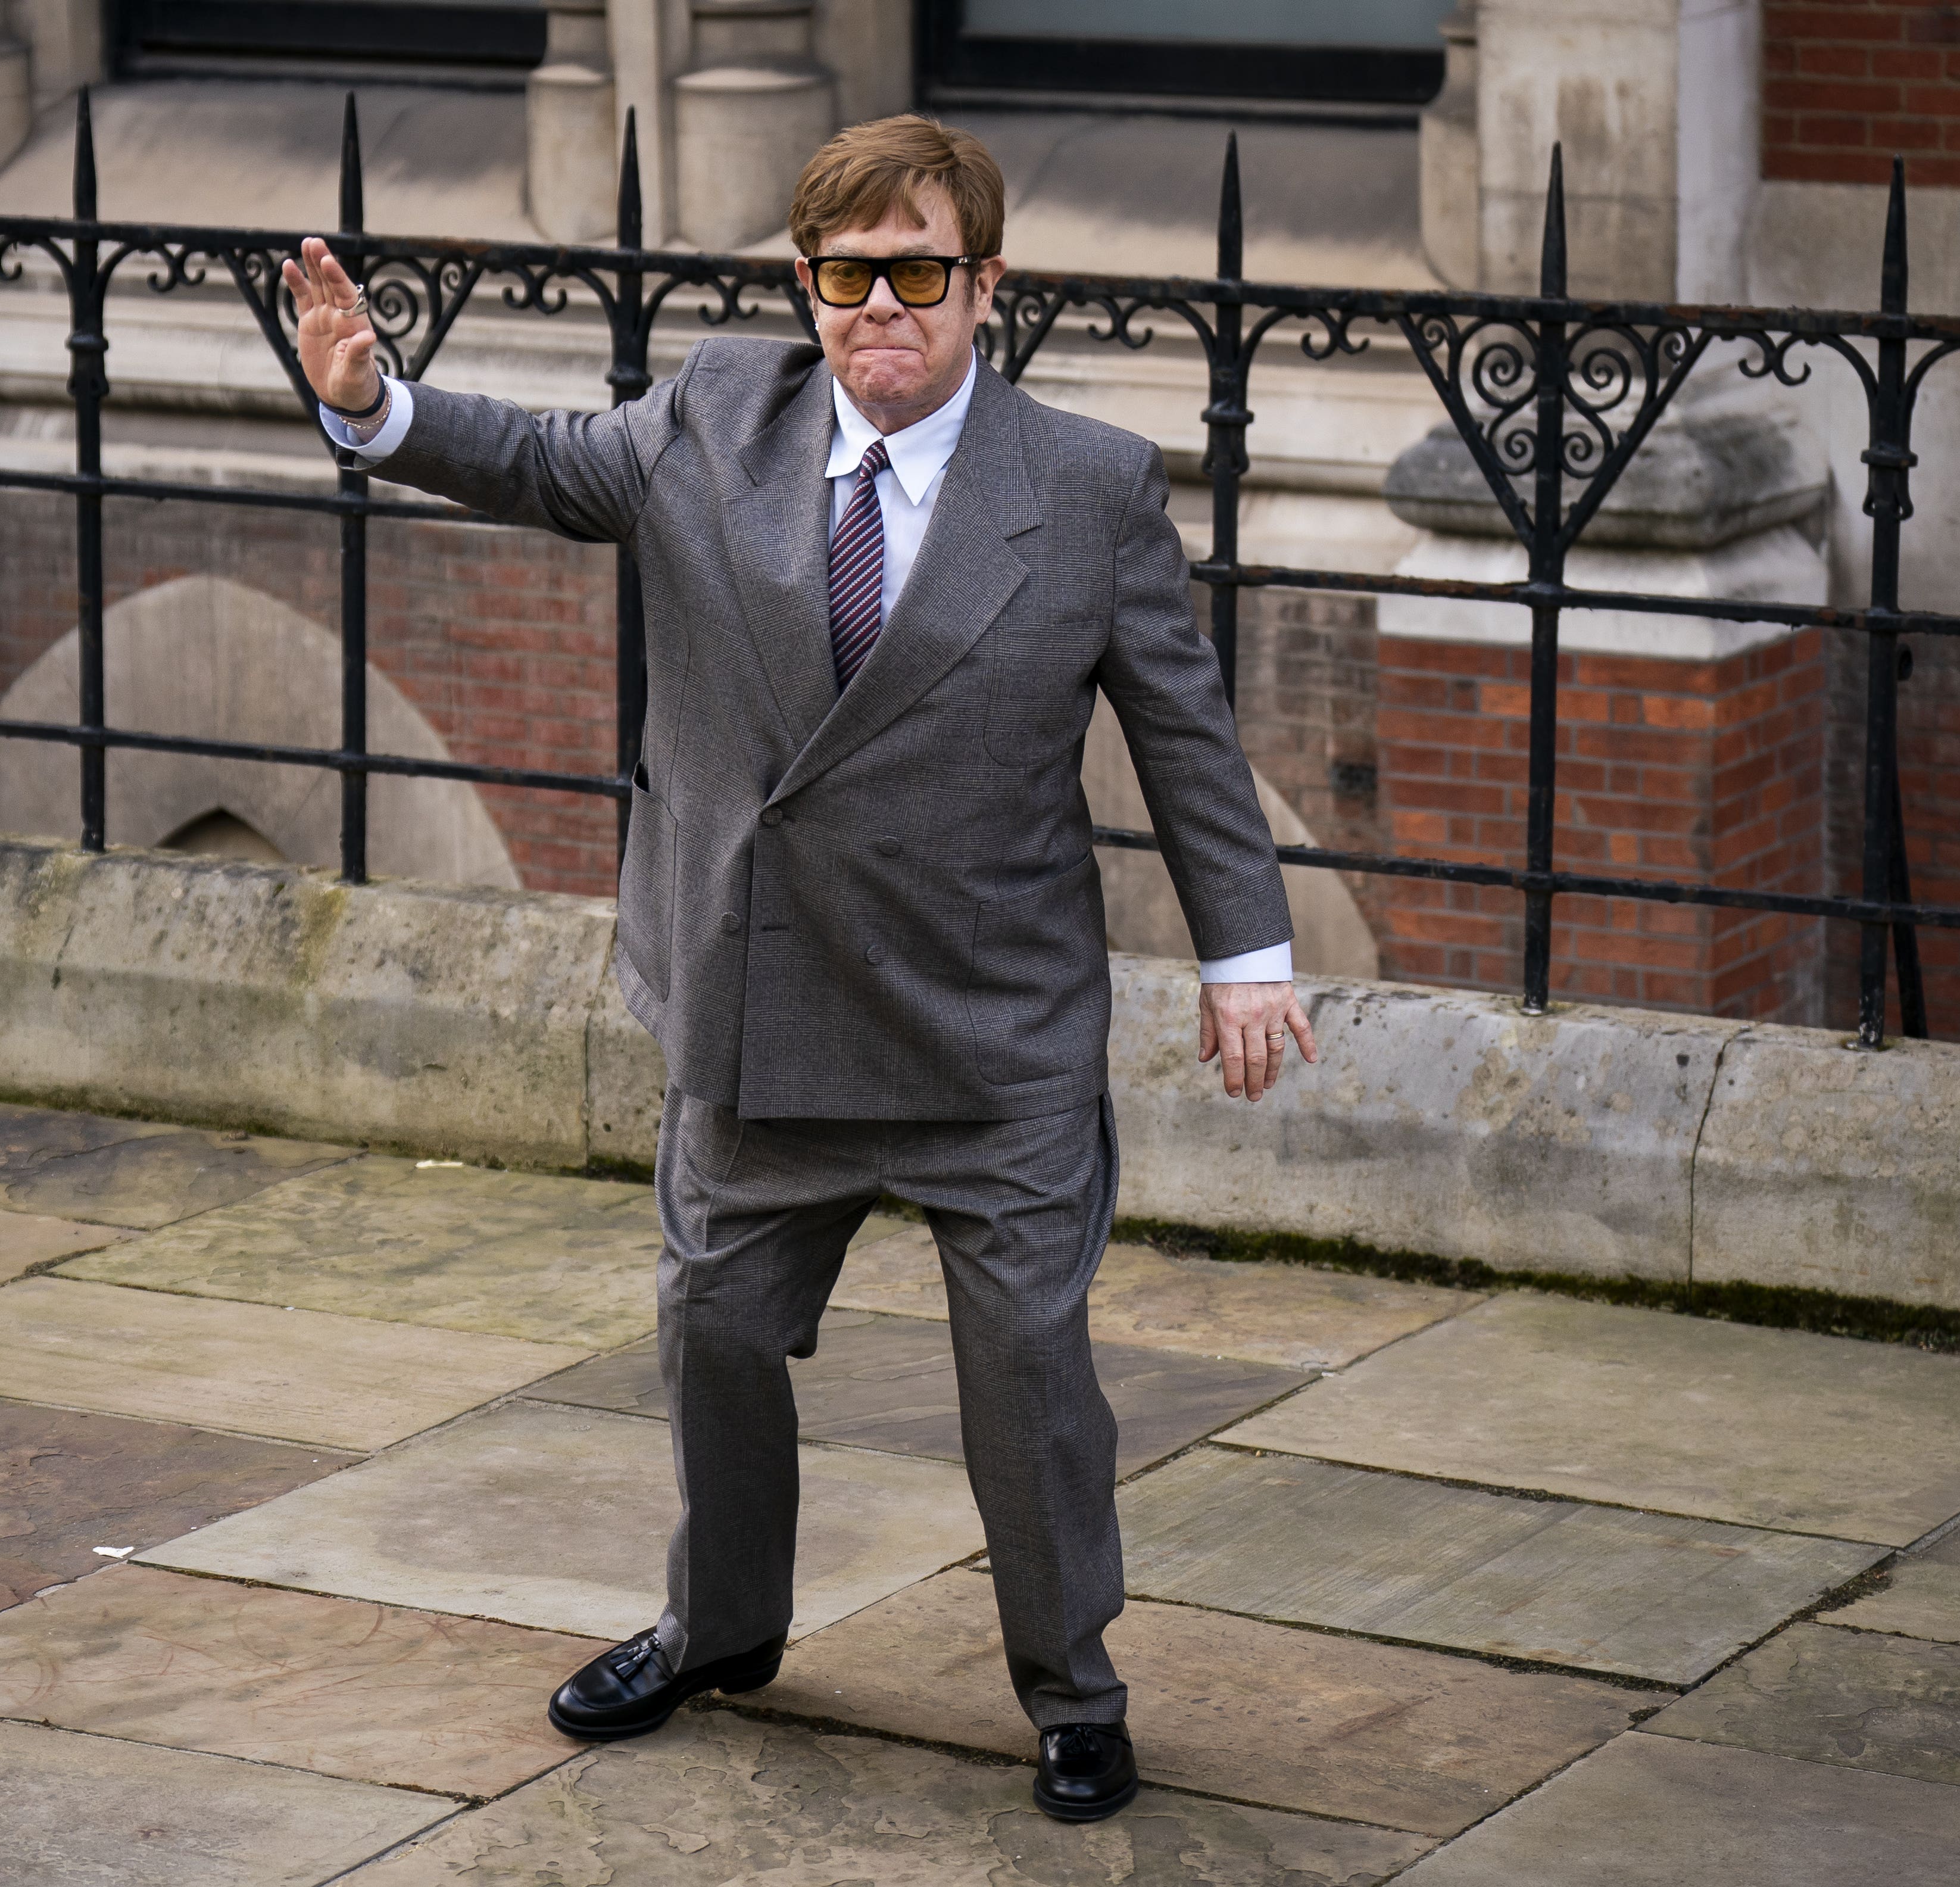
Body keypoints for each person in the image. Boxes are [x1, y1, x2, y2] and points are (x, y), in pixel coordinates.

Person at [282, 114, 1315, 1825]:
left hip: (989, 1037)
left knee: (1027, 1370)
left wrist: (1247, 955)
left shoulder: (1084, 489)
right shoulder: (712, 418)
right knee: (713, 1329)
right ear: (805, 284)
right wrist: (372, 403)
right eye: (845, 275)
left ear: (985, 287)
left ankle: (1071, 1687)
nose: (878, 308)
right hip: (761, 1010)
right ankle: (718, 1626)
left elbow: (1185, 741)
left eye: (917, 271)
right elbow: (538, 461)